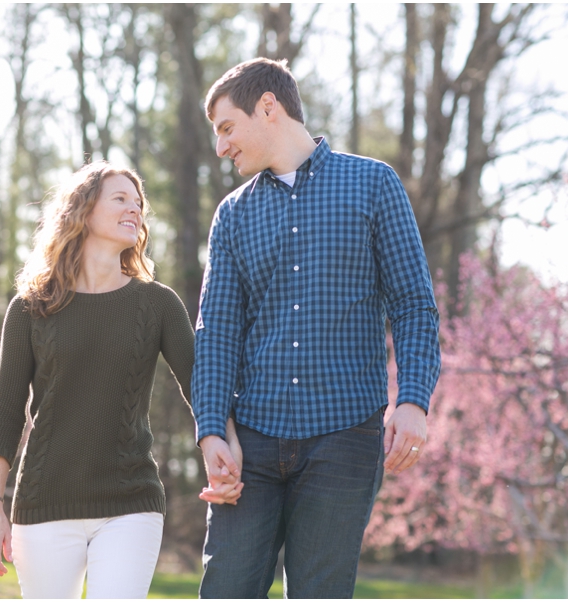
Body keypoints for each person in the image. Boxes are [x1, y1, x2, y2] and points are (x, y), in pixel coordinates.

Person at [191, 58, 441, 599]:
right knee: (227, 588)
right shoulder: (232, 215)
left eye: (227, 127)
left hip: (344, 438)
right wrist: (213, 429)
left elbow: (414, 305)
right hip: (251, 444)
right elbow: (215, 334)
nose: (221, 147)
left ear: (268, 107)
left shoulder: (374, 184)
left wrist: (413, 400)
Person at [0, 161, 240, 599]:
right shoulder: (30, 308)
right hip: (44, 503)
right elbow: (5, 412)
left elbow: (202, 386)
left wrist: (224, 447)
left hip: (130, 504)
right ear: (82, 209)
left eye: (139, 204)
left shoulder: (157, 304)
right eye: (120, 198)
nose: (134, 209)